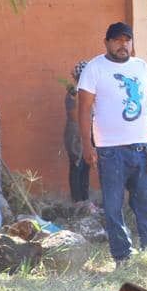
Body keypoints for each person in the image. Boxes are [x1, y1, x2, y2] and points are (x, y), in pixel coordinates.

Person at [77, 22, 147, 268]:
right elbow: (83, 109)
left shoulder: (140, 66)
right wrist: (86, 146)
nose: (123, 44)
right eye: (117, 40)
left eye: (127, 40)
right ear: (107, 42)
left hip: (140, 148)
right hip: (110, 150)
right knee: (113, 205)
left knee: (146, 201)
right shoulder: (95, 68)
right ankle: (122, 256)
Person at [64, 60, 90, 203]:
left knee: (85, 166)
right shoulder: (73, 94)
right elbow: (73, 115)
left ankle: (85, 200)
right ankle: (77, 201)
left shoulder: (86, 92)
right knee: (76, 166)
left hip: (85, 133)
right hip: (76, 134)